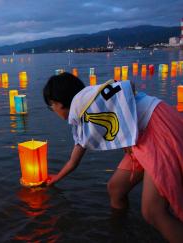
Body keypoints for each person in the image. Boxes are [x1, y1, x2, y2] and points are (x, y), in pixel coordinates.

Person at [43, 72, 183, 243]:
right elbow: (74, 160)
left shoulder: (84, 101)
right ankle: (120, 233)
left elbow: (128, 86)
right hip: (140, 138)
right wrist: (54, 179)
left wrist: (125, 130)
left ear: (57, 103)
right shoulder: (84, 114)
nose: (54, 111)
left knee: (153, 212)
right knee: (116, 188)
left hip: (158, 128)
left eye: (51, 107)